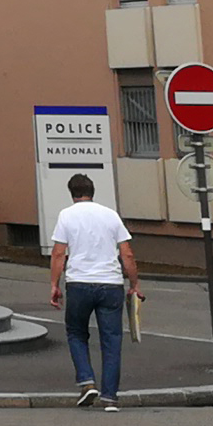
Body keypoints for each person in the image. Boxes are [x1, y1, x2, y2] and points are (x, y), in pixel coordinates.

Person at [45, 170, 142, 410]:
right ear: (92, 192)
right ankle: (110, 397)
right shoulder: (111, 215)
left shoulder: (66, 215)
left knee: (76, 333)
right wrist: (134, 284)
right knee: (112, 340)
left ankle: (87, 382)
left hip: (79, 283)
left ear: (72, 194)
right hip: (111, 285)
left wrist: (54, 284)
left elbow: (59, 253)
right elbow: (127, 253)